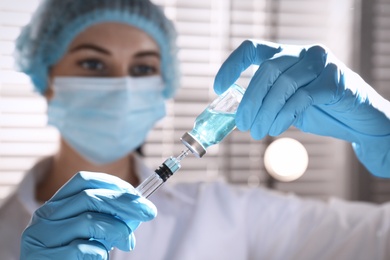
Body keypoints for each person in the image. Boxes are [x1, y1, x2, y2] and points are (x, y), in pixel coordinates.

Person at [0, 0, 389, 259]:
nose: (123, 84)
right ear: (45, 76)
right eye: (93, 65)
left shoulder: (228, 214)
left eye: (142, 69)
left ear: (163, 83)